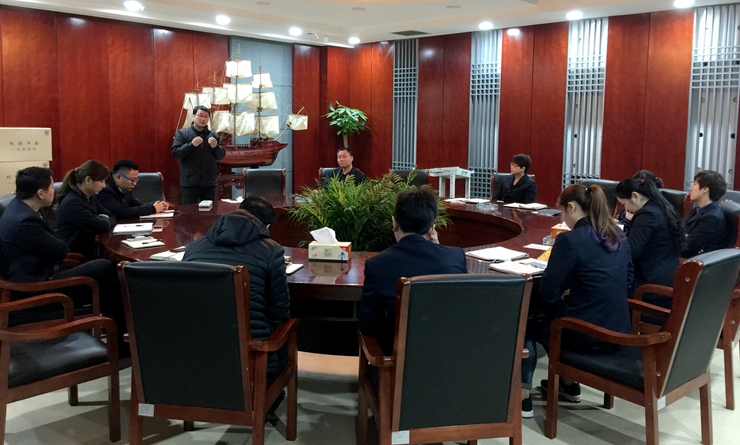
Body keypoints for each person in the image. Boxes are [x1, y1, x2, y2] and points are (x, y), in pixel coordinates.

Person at [522, 184, 632, 419]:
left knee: (527, 320)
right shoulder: (619, 235)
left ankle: (523, 396)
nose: (563, 220)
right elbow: (628, 280)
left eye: (562, 213)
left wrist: (563, 307)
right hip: (619, 329)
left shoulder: (570, 240)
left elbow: (548, 292)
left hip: (586, 337)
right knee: (559, 314)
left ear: (571, 207)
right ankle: (569, 385)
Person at [0, 167, 127, 351]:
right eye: (52, 187)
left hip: (41, 273)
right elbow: (61, 250)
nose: (54, 191)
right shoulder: (25, 222)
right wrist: (57, 243)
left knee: (103, 268)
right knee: (108, 269)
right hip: (37, 289)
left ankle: (118, 337)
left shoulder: (19, 208)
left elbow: (56, 242)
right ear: (40, 193)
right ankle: (121, 344)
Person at [182, 196, 289, 380]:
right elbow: (279, 312)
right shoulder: (271, 251)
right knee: (285, 330)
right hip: (251, 356)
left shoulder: (193, 249)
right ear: (266, 227)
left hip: (195, 353)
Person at [358, 188, 467, 356]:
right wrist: (438, 247)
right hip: (451, 358)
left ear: (394, 223)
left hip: (399, 362)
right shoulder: (456, 257)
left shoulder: (377, 264)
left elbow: (368, 325)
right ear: (431, 227)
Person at [616, 177, 686, 308]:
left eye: (624, 203)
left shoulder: (646, 215)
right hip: (667, 277)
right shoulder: (660, 207)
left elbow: (630, 251)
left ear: (635, 196)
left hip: (650, 286)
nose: (625, 208)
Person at [56, 160, 117, 260]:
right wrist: (103, 219)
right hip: (78, 255)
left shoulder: (90, 196)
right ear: (88, 180)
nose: (104, 185)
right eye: (101, 181)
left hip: (90, 248)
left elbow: (112, 217)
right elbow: (102, 226)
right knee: (111, 262)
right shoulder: (73, 203)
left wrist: (102, 218)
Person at [172, 105, 225, 205]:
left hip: (209, 183)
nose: (203, 119)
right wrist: (191, 145)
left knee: (210, 211)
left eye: (206, 116)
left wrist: (215, 147)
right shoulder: (182, 133)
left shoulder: (214, 135)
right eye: (200, 115)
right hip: (189, 183)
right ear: (193, 116)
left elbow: (220, 156)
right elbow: (176, 153)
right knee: (188, 212)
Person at [98, 158, 171, 220]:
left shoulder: (125, 188)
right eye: (132, 180)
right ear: (118, 177)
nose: (135, 183)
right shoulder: (104, 190)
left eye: (136, 180)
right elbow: (120, 213)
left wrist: (156, 205)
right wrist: (153, 208)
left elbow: (136, 205)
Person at [682, 170, 727, 257]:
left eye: (695, 185)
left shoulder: (712, 217)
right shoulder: (698, 209)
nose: (691, 189)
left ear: (705, 189)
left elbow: (687, 246)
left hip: (695, 259)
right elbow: (680, 229)